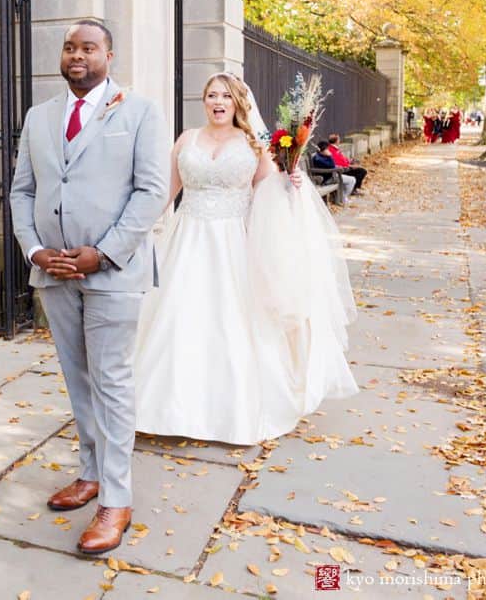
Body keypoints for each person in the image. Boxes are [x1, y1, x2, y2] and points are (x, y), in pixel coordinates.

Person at [9, 20, 169, 555]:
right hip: (52, 273)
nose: (77, 55)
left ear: (109, 55)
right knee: (78, 379)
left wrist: (101, 254)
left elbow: (151, 193)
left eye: (89, 47)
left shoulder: (140, 111)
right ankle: (91, 471)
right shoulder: (39, 116)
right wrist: (34, 250)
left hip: (113, 273)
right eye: (70, 47)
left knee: (112, 382)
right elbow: (21, 192)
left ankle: (117, 499)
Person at [134, 72, 357, 446]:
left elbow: (271, 190)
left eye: (225, 96)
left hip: (234, 244)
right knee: (179, 317)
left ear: (238, 102)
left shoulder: (255, 145)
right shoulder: (186, 140)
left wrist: (292, 185)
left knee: (231, 322)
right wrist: (134, 230)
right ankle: (163, 408)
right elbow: (166, 192)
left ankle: (231, 411)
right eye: (210, 95)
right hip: (187, 240)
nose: (217, 102)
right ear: (203, 101)